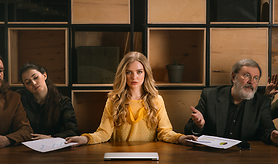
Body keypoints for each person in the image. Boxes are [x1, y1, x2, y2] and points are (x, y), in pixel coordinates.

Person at [65, 51, 196, 146]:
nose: (134, 77)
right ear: (123, 74)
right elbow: (104, 133)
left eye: (139, 72)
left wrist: (181, 138)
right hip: (119, 156)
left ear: (146, 74)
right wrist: (85, 139)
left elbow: (165, 132)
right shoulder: (114, 100)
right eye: (129, 72)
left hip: (149, 157)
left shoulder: (156, 100)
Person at [185, 59, 278, 148]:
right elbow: (188, 130)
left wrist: (272, 135)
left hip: (245, 157)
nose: (251, 82)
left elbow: (267, 128)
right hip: (212, 156)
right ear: (233, 77)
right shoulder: (210, 96)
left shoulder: (262, 102)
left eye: (256, 78)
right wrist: (199, 126)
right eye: (246, 76)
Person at [17, 62, 79, 139]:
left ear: (44, 75)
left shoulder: (63, 102)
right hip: (26, 144)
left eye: (35, 77)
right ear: (25, 86)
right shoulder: (20, 98)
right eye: (27, 82)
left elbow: (73, 132)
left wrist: (51, 138)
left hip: (53, 147)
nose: (33, 83)